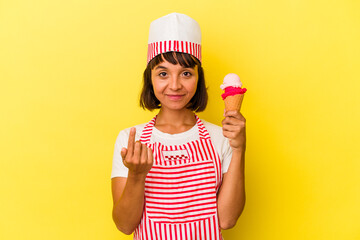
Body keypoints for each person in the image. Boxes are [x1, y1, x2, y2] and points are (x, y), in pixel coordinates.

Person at [111, 12, 246, 240]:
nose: (175, 85)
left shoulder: (222, 137)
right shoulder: (130, 141)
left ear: (198, 79)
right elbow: (125, 225)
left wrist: (239, 148)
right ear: (150, 79)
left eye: (185, 73)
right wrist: (136, 175)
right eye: (163, 73)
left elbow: (227, 220)